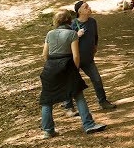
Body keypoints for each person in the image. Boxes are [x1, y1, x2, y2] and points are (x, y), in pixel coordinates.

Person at [39, 9, 106, 137]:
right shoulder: (72, 34)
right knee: (78, 95)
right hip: (67, 65)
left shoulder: (50, 34)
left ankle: (48, 131)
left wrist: (51, 64)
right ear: (69, 21)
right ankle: (88, 124)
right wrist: (74, 69)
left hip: (50, 67)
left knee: (47, 100)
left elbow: (44, 54)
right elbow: (76, 56)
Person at [63, 0, 116, 112]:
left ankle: (102, 101)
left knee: (97, 79)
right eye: (86, 7)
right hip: (74, 59)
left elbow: (95, 36)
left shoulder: (92, 22)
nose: (89, 8)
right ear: (80, 11)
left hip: (88, 59)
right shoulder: (72, 25)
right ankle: (68, 106)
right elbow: (66, 42)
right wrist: (77, 35)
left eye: (88, 6)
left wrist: (95, 46)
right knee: (71, 81)